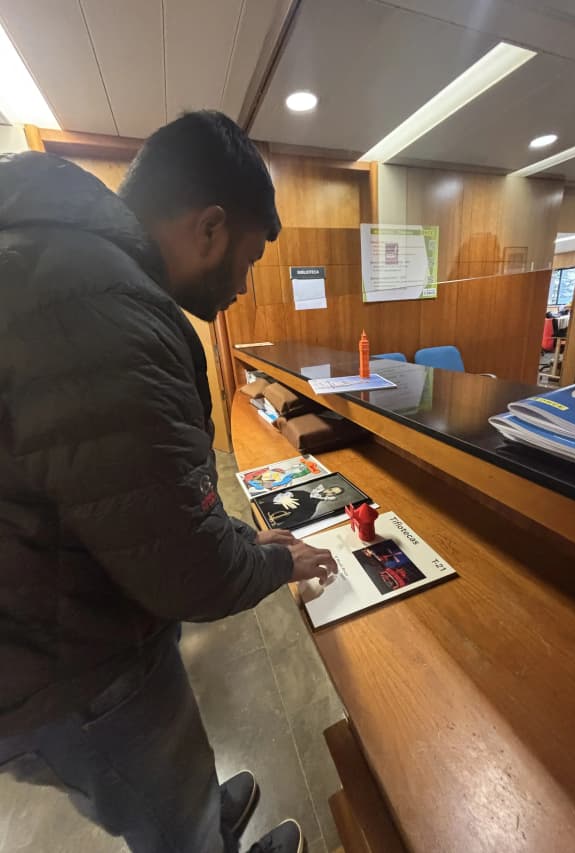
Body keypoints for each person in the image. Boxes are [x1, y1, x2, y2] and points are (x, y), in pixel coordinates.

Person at [0, 111, 338, 853]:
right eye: (247, 259)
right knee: (164, 820)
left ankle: (200, 803)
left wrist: (239, 535)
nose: (245, 285)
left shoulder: (58, 257)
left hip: (56, 611)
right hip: (70, 666)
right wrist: (276, 559)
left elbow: (134, 500)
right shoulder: (105, 309)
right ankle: (194, 827)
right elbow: (186, 568)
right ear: (208, 227)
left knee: (176, 768)